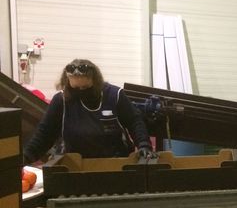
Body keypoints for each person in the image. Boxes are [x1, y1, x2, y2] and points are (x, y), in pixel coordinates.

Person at [24, 59, 154, 165]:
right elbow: (45, 133)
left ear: (96, 82)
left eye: (85, 87)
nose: (80, 90)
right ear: (67, 83)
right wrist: (26, 156)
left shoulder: (115, 96)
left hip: (115, 161)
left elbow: (134, 121)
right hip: (74, 164)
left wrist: (144, 145)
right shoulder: (61, 101)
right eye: (75, 88)